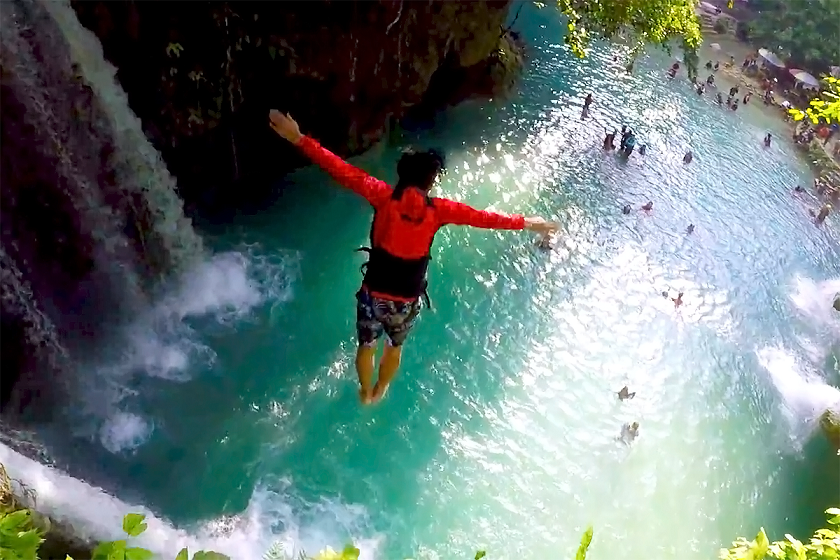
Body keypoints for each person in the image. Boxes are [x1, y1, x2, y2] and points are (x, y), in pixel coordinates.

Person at [268, 110, 558, 404]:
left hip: (374, 293)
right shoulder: (440, 210)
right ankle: (381, 389)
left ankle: (365, 391)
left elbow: (341, 170)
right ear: (430, 182)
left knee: (366, 345)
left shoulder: (381, 195)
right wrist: (530, 222)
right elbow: (485, 219)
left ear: (401, 176)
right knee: (394, 347)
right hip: (406, 299)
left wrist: (298, 138)